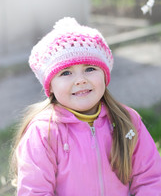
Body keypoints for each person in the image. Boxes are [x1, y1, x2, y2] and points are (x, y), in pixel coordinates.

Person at [10, 17, 161, 195]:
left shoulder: (127, 122)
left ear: (105, 75)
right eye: (66, 72)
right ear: (50, 86)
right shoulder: (44, 133)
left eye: (90, 69)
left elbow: (151, 179)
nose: (81, 80)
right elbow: (35, 191)